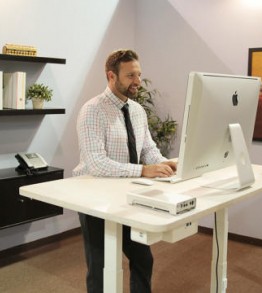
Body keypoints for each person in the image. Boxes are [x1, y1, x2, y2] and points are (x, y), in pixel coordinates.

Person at [73, 49, 177, 293]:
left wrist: (165, 165)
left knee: (143, 259)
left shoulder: (138, 111)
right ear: (111, 76)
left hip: (127, 196)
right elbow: (97, 163)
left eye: (139, 75)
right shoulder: (93, 110)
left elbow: (148, 150)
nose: (138, 82)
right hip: (94, 199)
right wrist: (144, 171)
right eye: (131, 76)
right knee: (101, 268)